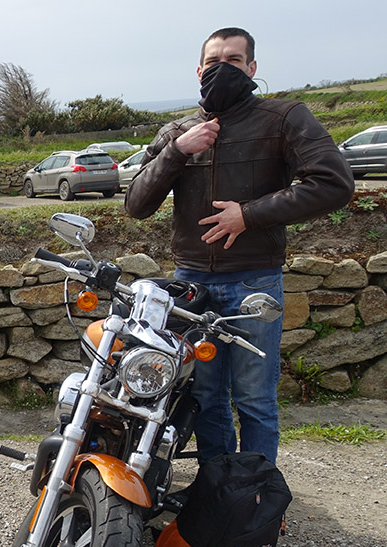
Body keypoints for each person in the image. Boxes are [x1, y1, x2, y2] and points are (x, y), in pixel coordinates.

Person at [125, 27, 354, 464]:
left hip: (254, 280)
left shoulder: (284, 118)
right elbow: (136, 204)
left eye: (233, 60)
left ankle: (255, 497)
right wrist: (176, 151)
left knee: (255, 399)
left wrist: (247, 214)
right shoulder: (178, 130)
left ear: (251, 68)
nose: (222, 68)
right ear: (198, 70)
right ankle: (216, 491)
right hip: (193, 282)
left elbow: (334, 184)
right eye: (213, 62)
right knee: (205, 396)